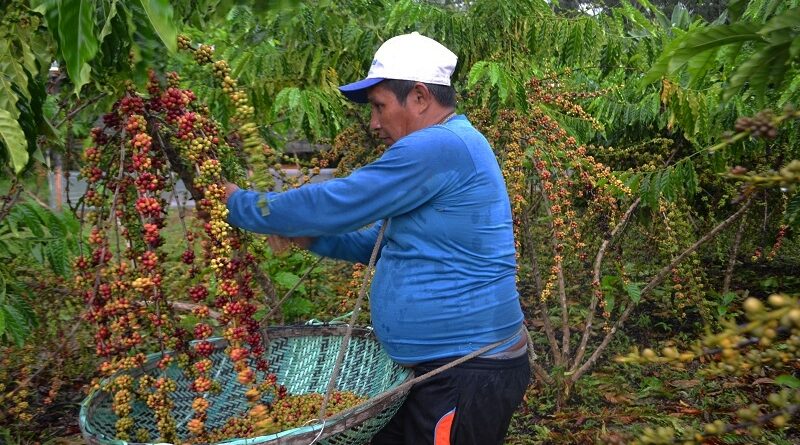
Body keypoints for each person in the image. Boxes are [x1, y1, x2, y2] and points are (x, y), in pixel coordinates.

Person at [223, 32, 530, 445]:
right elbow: (379, 242)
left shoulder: (439, 145)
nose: (373, 123)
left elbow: (338, 201)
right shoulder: (445, 147)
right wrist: (306, 238)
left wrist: (240, 205)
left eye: (379, 106)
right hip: (435, 370)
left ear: (420, 97)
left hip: (465, 372)